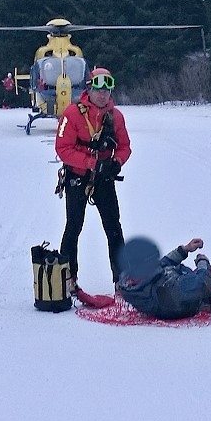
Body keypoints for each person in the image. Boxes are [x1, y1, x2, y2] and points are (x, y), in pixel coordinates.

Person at [55, 67, 131, 292]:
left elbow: (125, 146)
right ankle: (68, 278)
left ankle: (122, 278)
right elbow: (63, 148)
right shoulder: (72, 114)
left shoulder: (115, 116)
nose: (103, 95)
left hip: (104, 180)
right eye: (98, 90)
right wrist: (91, 163)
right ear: (90, 89)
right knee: (74, 227)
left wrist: (116, 162)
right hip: (78, 178)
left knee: (113, 227)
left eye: (107, 91)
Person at [116, 237, 211, 320]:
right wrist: (203, 262)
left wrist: (184, 250)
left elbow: (161, 264)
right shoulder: (168, 289)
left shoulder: (129, 283)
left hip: (178, 286)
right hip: (192, 295)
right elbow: (204, 284)